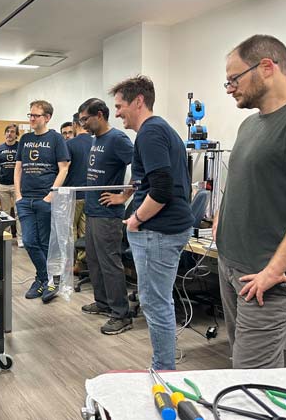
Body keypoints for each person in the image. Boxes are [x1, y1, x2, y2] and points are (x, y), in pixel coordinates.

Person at [215, 35, 286, 369]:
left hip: (266, 279)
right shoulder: (249, 124)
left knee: (252, 377)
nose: (230, 87)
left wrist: (273, 271)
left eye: (234, 79)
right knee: (244, 367)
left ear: (266, 68)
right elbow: (239, 180)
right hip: (231, 266)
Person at [109, 76, 193, 370]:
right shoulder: (161, 131)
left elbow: (161, 189)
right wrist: (127, 198)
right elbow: (151, 180)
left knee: (156, 304)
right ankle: (164, 363)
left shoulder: (150, 133)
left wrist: (135, 219)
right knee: (159, 302)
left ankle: (163, 371)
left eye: (119, 106)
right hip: (166, 228)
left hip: (158, 231)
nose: (117, 113)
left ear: (138, 101)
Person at [77, 98, 134, 335]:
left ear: (99, 115)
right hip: (92, 210)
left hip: (108, 214)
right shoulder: (96, 139)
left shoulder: (118, 139)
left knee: (110, 262)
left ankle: (121, 314)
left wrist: (124, 196)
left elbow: (140, 167)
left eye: (85, 119)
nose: (83, 125)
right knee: (94, 260)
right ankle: (102, 303)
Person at [15, 100, 70, 302]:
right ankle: (43, 276)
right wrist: (18, 194)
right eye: (29, 115)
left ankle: (51, 280)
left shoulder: (55, 138)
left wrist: (50, 195)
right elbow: (18, 167)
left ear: (46, 117)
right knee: (29, 241)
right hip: (25, 200)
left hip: (44, 199)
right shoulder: (25, 139)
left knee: (46, 243)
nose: (31, 118)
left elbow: (64, 168)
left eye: (35, 115)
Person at [63, 113, 93, 275]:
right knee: (85, 232)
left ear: (75, 125)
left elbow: (64, 170)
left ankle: (72, 264)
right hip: (91, 194)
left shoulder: (70, 144)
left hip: (73, 194)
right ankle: (83, 264)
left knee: (70, 232)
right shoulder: (96, 142)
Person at [0, 124, 23, 247]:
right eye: (7, 131)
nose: (9, 134)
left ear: (16, 134)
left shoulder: (20, 147)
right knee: (5, 212)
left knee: (19, 212)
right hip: (3, 185)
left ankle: (21, 238)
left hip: (17, 185)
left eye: (12, 132)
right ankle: (6, 237)